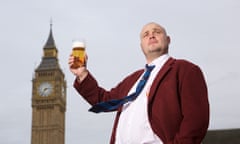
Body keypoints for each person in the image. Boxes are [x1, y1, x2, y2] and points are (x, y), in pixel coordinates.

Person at [68, 22, 209, 144]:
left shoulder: (185, 70)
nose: (151, 35)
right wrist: (82, 74)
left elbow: (196, 121)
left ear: (168, 40)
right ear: (141, 45)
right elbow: (103, 100)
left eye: (157, 32)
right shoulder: (133, 79)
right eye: (145, 34)